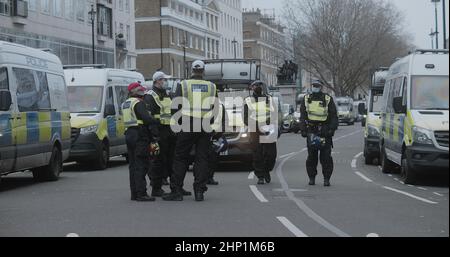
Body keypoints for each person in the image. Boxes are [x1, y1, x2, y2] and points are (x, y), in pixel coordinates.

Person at [163, 60, 220, 202]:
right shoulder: (211, 86)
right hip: (204, 125)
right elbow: (216, 108)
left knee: (180, 157)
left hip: (187, 123)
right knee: (201, 158)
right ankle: (199, 191)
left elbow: (175, 106)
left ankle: (176, 191)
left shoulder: (183, 85)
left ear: (192, 71)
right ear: (203, 71)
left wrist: (178, 124)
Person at [144, 71, 192, 197]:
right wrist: (154, 135)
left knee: (173, 161)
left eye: (166, 80)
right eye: (163, 80)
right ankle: (156, 188)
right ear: (157, 81)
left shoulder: (168, 95)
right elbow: (150, 117)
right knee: (158, 161)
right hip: (159, 132)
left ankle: (176, 187)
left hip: (170, 131)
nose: (166, 82)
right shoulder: (150, 96)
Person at [123, 82, 159, 202]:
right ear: (135, 91)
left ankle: (134, 193)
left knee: (133, 166)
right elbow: (146, 118)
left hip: (129, 134)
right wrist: (156, 121)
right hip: (139, 135)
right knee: (141, 165)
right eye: (140, 91)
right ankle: (141, 193)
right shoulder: (138, 103)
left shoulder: (126, 103)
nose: (142, 93)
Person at [299, 80, 338, 187]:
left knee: (326, 158)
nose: (315, 87)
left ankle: (326, 178)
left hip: (325, 132)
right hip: (311, 131)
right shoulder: (306, 99)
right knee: (312, 157)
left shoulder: (327, 99)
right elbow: (303, 116)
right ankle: (312, 178)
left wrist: (331, 129)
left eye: (317, 86)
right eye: (313, 86)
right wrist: (303, 130)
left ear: (321, 87)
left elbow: (334, 116)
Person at [244, 80, 278, 185]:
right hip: (255, 130)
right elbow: (245, 117)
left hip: (268, 129)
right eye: (255, 86)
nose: (257, 87)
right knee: (257, 154)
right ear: (252, 88)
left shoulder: (269, 99)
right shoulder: (248, 100)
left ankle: (267, 170)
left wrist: (271, 123)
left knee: (271, 155)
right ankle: (260, 176)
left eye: (259, 85)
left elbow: (275, 114)